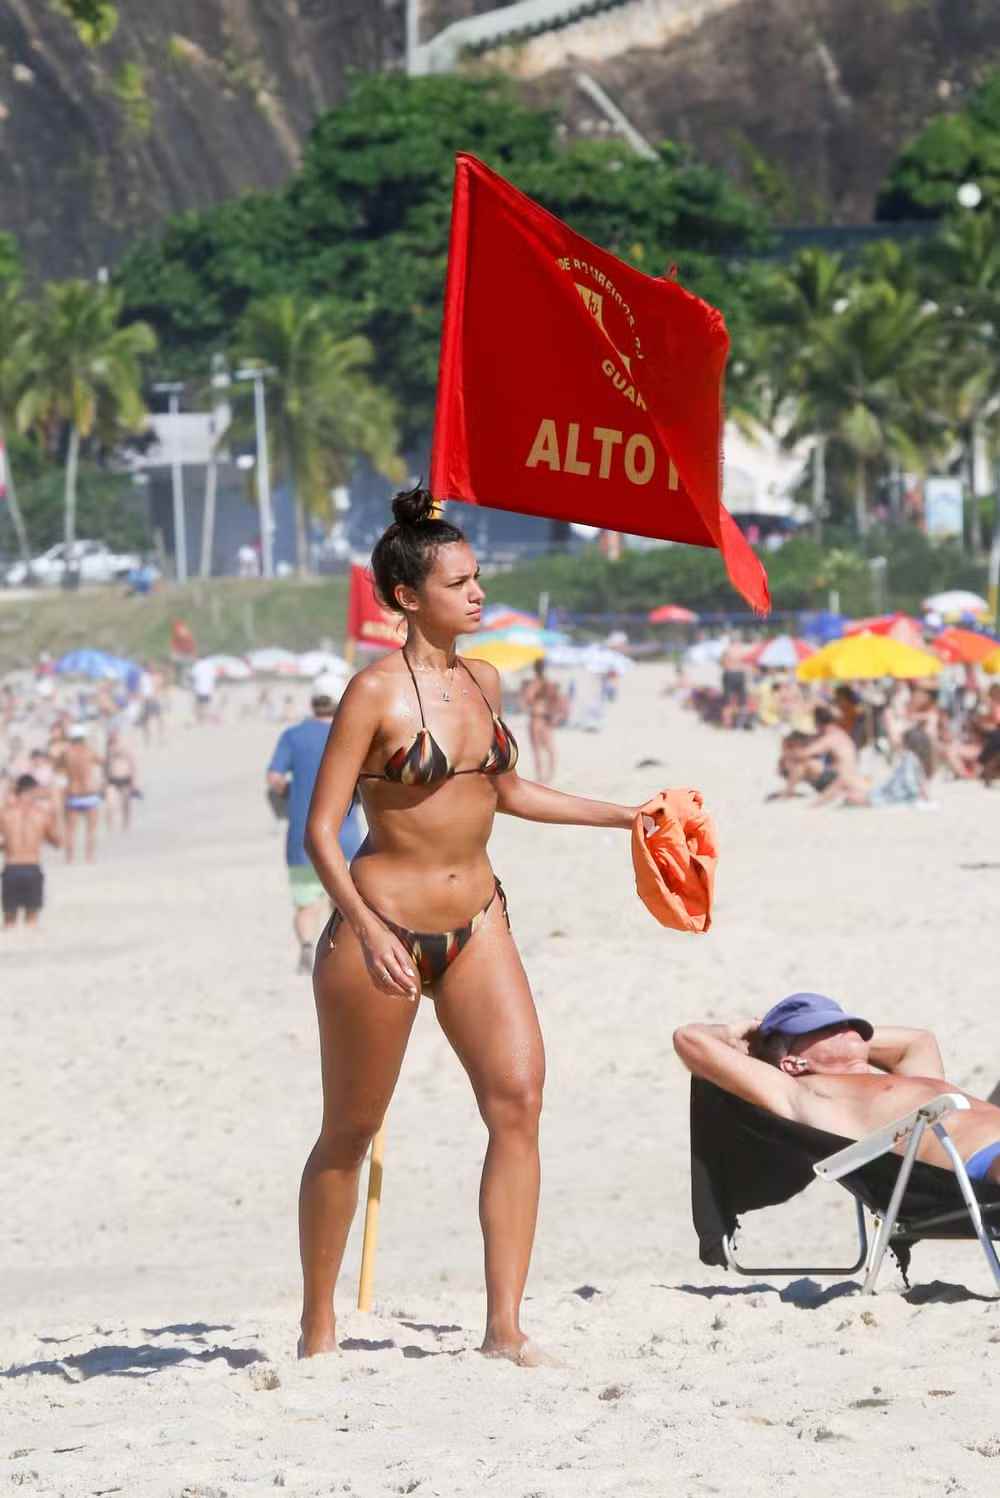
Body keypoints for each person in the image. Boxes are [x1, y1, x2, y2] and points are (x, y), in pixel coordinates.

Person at [299, 486, 648, 1364]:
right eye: (458, 583)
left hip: (478, 922)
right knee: (350, 1131)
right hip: (382, 927)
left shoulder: (484, 681)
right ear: (408, 596)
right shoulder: (373, 693)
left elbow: (508, 790)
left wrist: (626, 817)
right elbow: (320, 831)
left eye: (477, 577)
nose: (478, 593)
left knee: (519, 1100)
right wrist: (364, 928)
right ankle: (317, 1326)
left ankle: (504, 1328)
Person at [674, 994, 1000, 1186]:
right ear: (793, 1063)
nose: (846, 1028)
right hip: (983, 1164)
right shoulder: (806, 1095)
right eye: (826, 1027)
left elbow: (918, 1041)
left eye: (846, 1022)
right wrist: (743, 1035)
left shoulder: (908, 1076)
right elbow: (688, 1039)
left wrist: (846, 1046)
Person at [267, 680, 365, 974]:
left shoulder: (292, 736)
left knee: (306, 904)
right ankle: (341, 955)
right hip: (345, 836)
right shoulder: (351, 733)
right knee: (345, 903)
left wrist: (290, 795)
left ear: (312, 702)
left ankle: (307, 946)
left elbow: (274, 777)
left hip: (303, 837)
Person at [0, 773, 61, 928]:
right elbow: (57, 842)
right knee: (31, 924)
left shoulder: (5, 814)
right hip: (32, 868)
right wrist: (55, 815)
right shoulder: (41, 814)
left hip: (11, 869)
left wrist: (7, 844)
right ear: (33, 790)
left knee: (9, 924)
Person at [780, 705, 861, 805]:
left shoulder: (830, 738)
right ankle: (788, 793)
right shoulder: (838, 733)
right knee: (807, 762)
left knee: (802, 763)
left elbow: (804, 753)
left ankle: (787, 793)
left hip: (839, 779)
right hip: (848, 776)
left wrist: (787, 754)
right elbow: (811, 740)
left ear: (818, 722)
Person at [59, 725, 103, 863]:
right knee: (91, 829)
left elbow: (57, 768)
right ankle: (89, 857)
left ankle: (70, 858)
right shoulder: (89, 751)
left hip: (74, 793)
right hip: (90, 793)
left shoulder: (66, 753)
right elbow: (102, 761)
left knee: (70, 830)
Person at [520, 658, 560, 782]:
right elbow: (556, 700)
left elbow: (526, 700)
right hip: (545, 718)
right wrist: (554, 716)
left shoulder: (534, 684)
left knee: (538, 749)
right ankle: (548, 776)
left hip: (536, 718)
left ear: (534, 669)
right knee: (549, 749)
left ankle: (542, 777)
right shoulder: (548, 683)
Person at [104, 729, 139, 833]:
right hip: (112, 780)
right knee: (110, 804)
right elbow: (106, 766)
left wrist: (134, 781)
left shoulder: (124, 747)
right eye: (110, 736)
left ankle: (126, 824)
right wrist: (103, 780)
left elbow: (132, 763)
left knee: (125, 804)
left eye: (114, 735)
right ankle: (110, 827)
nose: (112, 737)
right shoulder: (108, 748)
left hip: (125, 778)